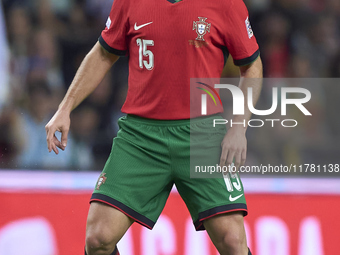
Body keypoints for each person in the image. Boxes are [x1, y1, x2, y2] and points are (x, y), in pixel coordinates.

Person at [45, 0, 263, 254]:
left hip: (202, 134)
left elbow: (252, 66)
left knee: (232, 241)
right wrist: (65, 107)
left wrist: (238, 128)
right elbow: (104, 53)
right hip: (141, 136)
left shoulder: (225, 3)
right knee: (97, 239)